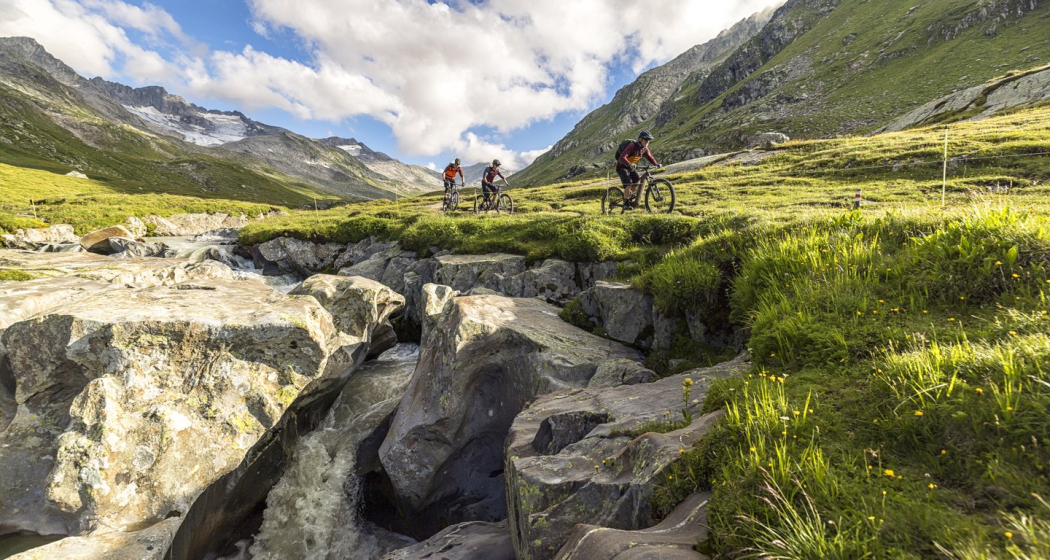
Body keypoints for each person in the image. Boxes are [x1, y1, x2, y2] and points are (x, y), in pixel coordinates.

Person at [615, 130, 660, 206]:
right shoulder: (632, 146)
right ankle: (626, 203)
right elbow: (622, 157)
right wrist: (629, 164)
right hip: (621, 167)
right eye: (646, 140)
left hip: (630, 167)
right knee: (628, 183)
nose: (647, 142)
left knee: (637, 181)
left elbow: (650, 158)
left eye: (648, 140)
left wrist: (656, 164)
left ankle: (629, 196)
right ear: (640, 139)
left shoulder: (644, 149)